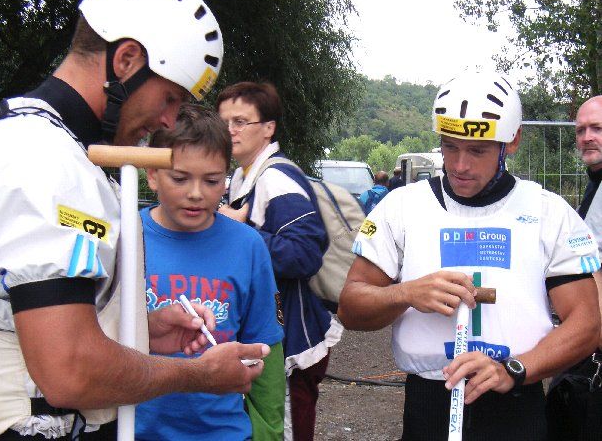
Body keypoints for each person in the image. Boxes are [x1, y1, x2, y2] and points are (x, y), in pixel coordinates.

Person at [0, 0, 268, 440]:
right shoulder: (45, 159)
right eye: (169, 97)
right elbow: (70, 371)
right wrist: (199, 374)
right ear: (126, 60)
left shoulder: (45, 143)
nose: (168, 120)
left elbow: (35, 315)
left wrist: (144, 332)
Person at [337, 70, 601, 441]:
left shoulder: (548, 212)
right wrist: (406, 293)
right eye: (449, 146)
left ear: (512, 140)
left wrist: (515, 369)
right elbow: (350, 307)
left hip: (516, 401)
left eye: (477, 150)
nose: (460, 165)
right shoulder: (402, 206)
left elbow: (587, 323)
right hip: (429, 400)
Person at [135, 105, 285, 440]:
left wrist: (269, 432)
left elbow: (266, 350)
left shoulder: (248, 246)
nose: (196, 193)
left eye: (212, 180)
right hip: (135, 429)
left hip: (223, 431)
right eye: (180, 178)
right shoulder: (126, 238)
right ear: (152, 174)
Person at [217, 81, 343, 441]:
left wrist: (239, 232)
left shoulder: (275, 178)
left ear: (268, 128)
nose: (230, 131)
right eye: (224, 122)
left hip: (292, 344)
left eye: (241, 121)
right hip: (273, 336)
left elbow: (304, 254)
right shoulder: (243, 176)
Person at [545, 95, 602, 440]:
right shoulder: (595, 183)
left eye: (597, 128)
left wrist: (583, 335)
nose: (586, 137)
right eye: (581, 130)